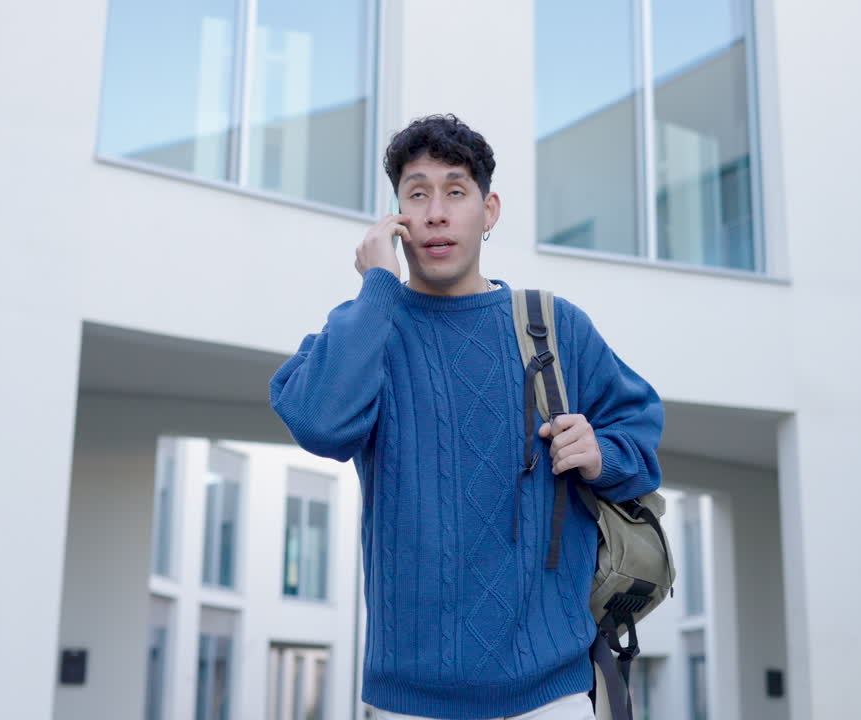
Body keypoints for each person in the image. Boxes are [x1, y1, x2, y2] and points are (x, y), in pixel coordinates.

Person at [270, 114, 663, 720]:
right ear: (396, 215)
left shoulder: (555, 328)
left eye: (456, 191)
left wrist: (601, 453)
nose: (436, 212)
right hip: (410, 701)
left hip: (550, 694)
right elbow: (320, 425)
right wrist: (378, 285)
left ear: (490, 209)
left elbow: (641, 441)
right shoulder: (369, 328)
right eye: (417, 193)